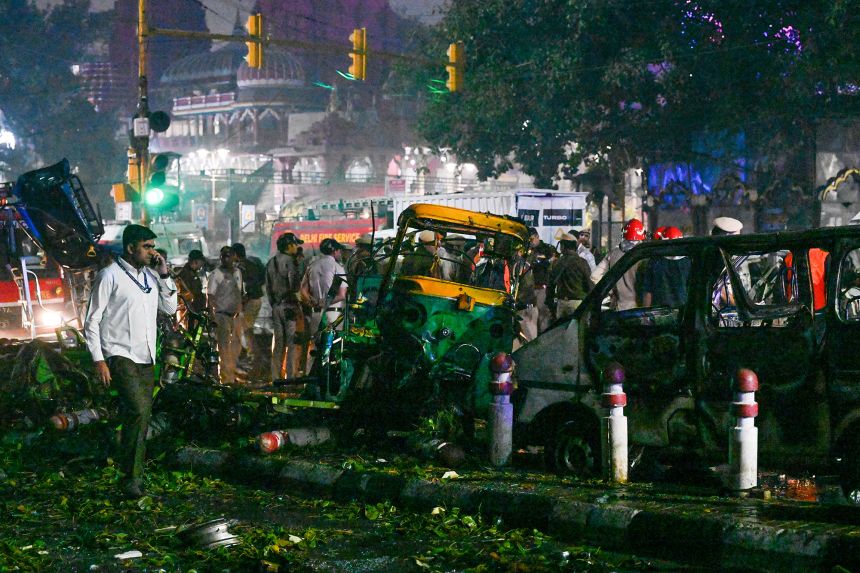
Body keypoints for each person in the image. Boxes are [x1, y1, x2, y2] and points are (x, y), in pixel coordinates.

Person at [84, 224, 177, 498]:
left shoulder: (150, 276)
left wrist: (164, 274)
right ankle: (131, 479)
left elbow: (170, 308)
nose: (152, 252)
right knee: (138, 410)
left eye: (153, 247)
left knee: (141, 415)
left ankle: (131, 475)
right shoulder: (109, 276)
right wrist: (99, 359)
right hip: (119, 353)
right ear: (130, 248)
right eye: (147, 247)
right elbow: (92, 320)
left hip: (146, 355)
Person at [266, 232, 305, 381]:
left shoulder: (271, 262)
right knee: (292, 343)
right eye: (295, 244)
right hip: (290, 306)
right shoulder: (290, 262)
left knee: (278, 345)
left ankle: (275, 377)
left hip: (276, 306)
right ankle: (290, 377)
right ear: (289, 246)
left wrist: (274, 303)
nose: (296, 247)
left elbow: (268, 287)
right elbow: (295, 287)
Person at [591, 218, 647, 310]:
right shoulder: (644, 256)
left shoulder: (613, 253)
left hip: (617, 307)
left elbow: (594, 276)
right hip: (638, 308)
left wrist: (611, 291)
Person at [207, 246, 244, 385]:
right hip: (221, 315)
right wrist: (212, 317)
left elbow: (239, 292)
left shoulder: (238, 272)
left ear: (234, 256)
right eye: (223, 256)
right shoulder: (216, 274)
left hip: (235, 316)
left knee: (235, 348)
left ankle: (231, 376)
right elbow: (210, 297)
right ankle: (225, 379)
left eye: (228, 256)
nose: (225, 259)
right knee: (223, 349)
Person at [302, 237, 348, 345]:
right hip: (333, 314)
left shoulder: (312, 266)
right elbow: (342, 295)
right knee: (332, 346)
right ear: (335, 251)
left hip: (316, 313)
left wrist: (313, 301)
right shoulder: (338, 268)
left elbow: (303, 290)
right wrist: (324, 302)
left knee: (315, 346)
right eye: (339, 251)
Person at [232, 242, 266, 376]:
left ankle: (254, 357)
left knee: (245, 330)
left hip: (250, 301)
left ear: (235, 254)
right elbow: (262, 280)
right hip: (256, 299)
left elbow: (246, 286)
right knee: (246, 329)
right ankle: (253, 357)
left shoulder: (241, 267)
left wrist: (244, 299)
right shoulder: (253, 262)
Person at [642, 226, 692, 308]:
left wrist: (645, 313)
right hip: (683, 310)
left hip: (659, 311)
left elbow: (648, 292)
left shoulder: (654, 262)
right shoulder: (688, 262)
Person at [547, 233, 593, 320]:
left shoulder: (557, 263)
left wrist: (550, 304)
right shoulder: (582, 262)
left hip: (561, 304)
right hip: (577, 304)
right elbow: (589, 283)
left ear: (563, 246)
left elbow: (550, 285)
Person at [177, 249, 207, 315]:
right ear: (196, 261)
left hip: (193, 308)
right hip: (189, 310)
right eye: (201, 262)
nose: (202, 265)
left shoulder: (192, 272)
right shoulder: (186, 274)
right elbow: (188, 294)